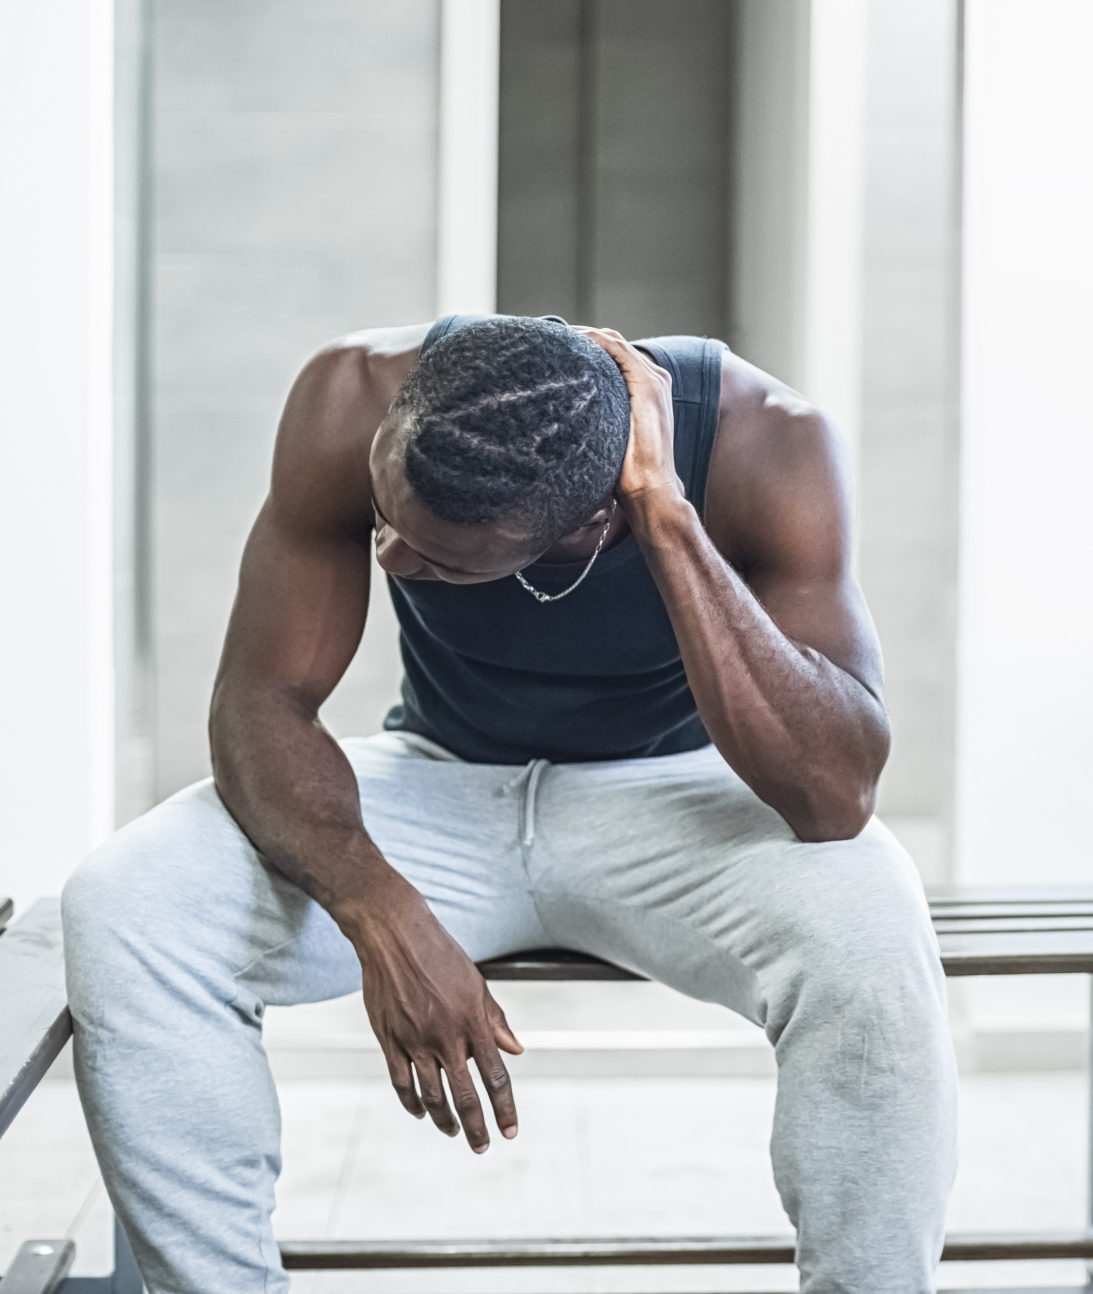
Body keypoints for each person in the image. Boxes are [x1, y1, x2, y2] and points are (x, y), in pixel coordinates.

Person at [62, 315, 956, 1294]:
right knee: (127, 899)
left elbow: (832, 795)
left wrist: (665, 515)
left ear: (587, 525)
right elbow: (259, 704)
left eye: (442, 561)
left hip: (681, 799)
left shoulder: (767, 440)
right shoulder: (353, 394)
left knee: (873, 925)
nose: (392, 557)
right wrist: (381, 910)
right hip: (437, 782)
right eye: (385, 517)